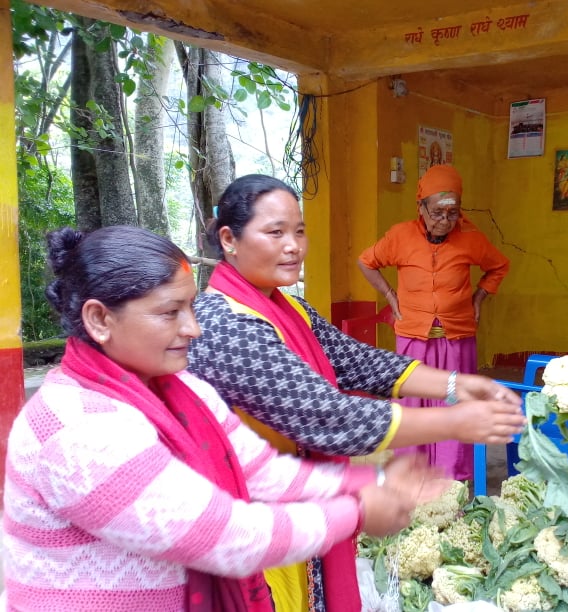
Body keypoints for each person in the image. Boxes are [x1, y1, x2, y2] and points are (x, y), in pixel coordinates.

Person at [2, 225, 444, 611]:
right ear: (99, 319)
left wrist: (367, 484)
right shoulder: (77, 429)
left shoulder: (181, 389)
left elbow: (258, 470)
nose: (193, 328)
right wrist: (358, 511)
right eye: (170, 312)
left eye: (191, 307)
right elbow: (226, 536)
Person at [187, 174, 524, 612]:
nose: (294, 246)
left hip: (301, 499)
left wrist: (457, 384)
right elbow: (327, 417)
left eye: (300, 230)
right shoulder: (225, 323)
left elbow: (355, 360)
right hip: (253, 517)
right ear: (229, 239)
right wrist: (454, 420)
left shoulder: (285, 305)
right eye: (275, 233)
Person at [357, 164, 511, 482]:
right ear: (421, 207)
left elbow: (498, 266)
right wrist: (388, 293)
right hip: (413, 336)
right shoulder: (400, 235)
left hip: (457, 337)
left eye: (452, 213)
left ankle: (454, 474)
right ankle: (411, 472)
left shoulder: (471, 237)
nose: (444, 221)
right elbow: (366, 261)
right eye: (437, 212)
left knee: (456, 401)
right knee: (414, 402)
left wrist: (478, 298)